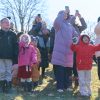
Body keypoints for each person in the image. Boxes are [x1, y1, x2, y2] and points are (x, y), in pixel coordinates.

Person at [51, 10, 77, 92]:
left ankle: (68, 85)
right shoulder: (58, 25)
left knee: (68, 70)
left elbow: (76, 34)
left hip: (69, 52)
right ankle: (60, 87)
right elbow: (56, 21)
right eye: (63, 14)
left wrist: (76, 38)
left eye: (66, 14)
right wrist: (63, 13)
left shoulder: (70, 26)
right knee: (60, 71)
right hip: (59, 51)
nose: (65, 15)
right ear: (60, 15)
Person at [65, 6, 87, 89]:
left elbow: (85, 26)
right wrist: (73, 15)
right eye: (72, 18)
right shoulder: (67, 26)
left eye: (73, 18)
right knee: (70, 65)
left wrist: (80, 17)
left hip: (78, 49)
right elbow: (70, 22)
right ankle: (69, 83)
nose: (73, 19)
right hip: (69, 48)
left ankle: (77, 80)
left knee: (76, 65)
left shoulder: (78, 27)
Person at [0, 18, 18, 93]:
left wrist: (15, 59)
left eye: (8, 22)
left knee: (8, 72)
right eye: (5, 22)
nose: (7, 23)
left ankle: (8, 87)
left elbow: (16, 47)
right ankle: (1, 86)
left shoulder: (13, 34)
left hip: (10, 57)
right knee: (1, 71)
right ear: (1, 24)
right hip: (0, 57)